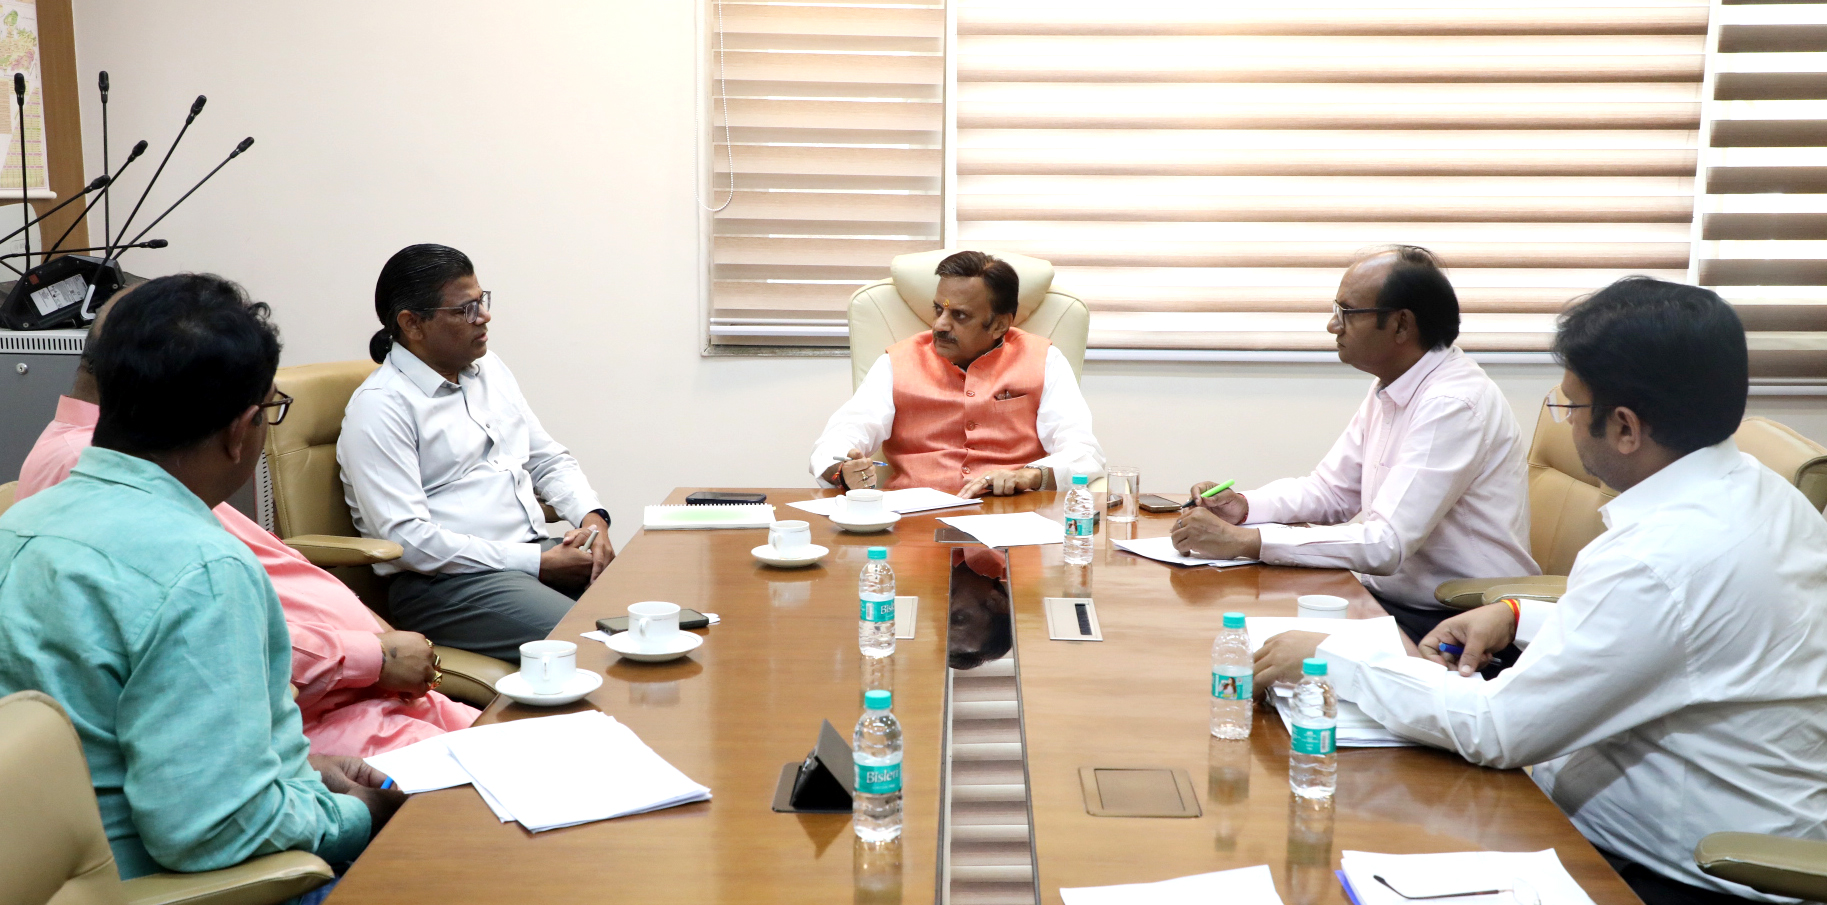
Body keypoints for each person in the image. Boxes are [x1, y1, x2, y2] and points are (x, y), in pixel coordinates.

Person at [1254, 277, 1827, 905]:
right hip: (1616, 821)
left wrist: (1331, 662)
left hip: (1676, 878)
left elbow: (1497, 729)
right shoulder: (1759, 492)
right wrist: (1517, 616)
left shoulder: (1660, 556)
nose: (1567, 423)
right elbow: (1670, 638)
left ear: (1626, 428)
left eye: (1571, 407)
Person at [0, 274, 404, 879]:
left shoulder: (17, 525)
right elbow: (214, 832)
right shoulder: (203, 570)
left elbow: (117, 745)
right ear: (242, 430)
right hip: (184, 885)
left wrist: (301, 774)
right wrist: (358, 814)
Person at [16, 289, 479, 758]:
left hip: (361, 693)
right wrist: (373, 657)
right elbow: (212, 674)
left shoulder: (131, 467)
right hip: (318, 718)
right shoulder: (95, 470)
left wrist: (379, 645)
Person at [1171, 246, 1537, 642]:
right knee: (1239, 637)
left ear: (1401, 325)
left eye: (1347, 312)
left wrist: (1244, 541)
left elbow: (1386, 543)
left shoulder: (1453, 403)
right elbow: (1331, 492)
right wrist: (1244, 508)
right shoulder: (1393, 385)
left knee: (1262, 651)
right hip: (1391, 600)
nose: (1333, 325)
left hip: (1458, 622)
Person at [340, 244, 613, 661]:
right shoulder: (380, 406)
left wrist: (592, 519)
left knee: (654, 615)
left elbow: (547, 459)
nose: (484, 316)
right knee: (598, 644)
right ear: (412, 324)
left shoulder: (490, 370)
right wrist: (536, 562)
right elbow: (407, 540)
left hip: (531, 554)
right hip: (447, 585)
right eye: (465, 310)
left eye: (482, 301)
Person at [810, 250, 1104, 497]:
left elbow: (1084, 451)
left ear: (1000, 325)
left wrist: (1028, 476)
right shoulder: (896, 362)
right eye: (938, 309)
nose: (940, 325)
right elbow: (840, 437)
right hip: (915, 522)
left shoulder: (1044, 360)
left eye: (959, 315)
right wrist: (842, 470)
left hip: (1011, 518)